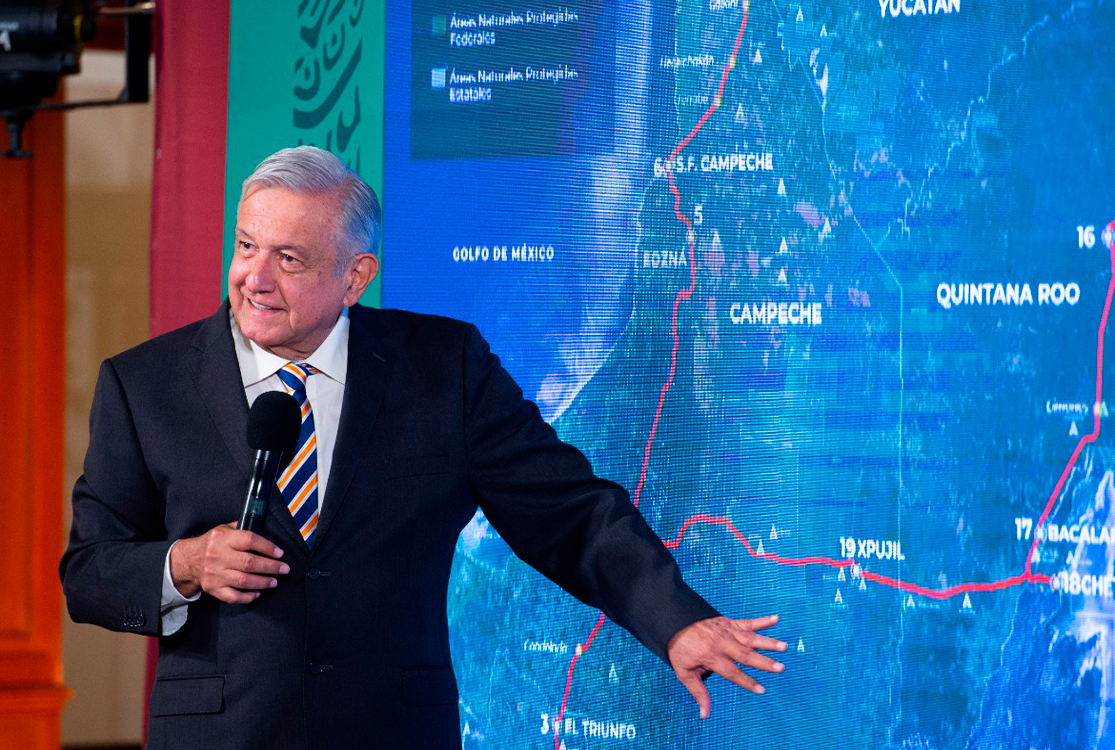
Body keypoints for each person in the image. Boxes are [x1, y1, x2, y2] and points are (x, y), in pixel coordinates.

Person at [60, 146, 787, 749]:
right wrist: (185, 564)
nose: (254, 277)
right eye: (246, 246)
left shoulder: (444, 370)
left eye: (289, 259)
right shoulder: (144, 384)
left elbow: (569, 512)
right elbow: (89, 572)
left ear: (355, 276)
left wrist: (675, 621)